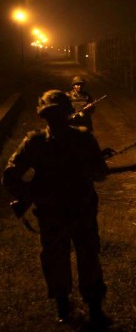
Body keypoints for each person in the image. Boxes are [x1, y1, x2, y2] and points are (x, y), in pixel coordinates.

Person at [1, 90, 112, 327]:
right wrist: (33, 193)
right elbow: (100, 175)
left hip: (57, 212)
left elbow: (10, 176)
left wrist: (31, 193)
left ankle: (66, 308)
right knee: (84, 257)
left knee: (59, 259)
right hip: (76, 210)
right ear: (68, 111)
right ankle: (92, 309)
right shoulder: (82, 138)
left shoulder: (35, 142)